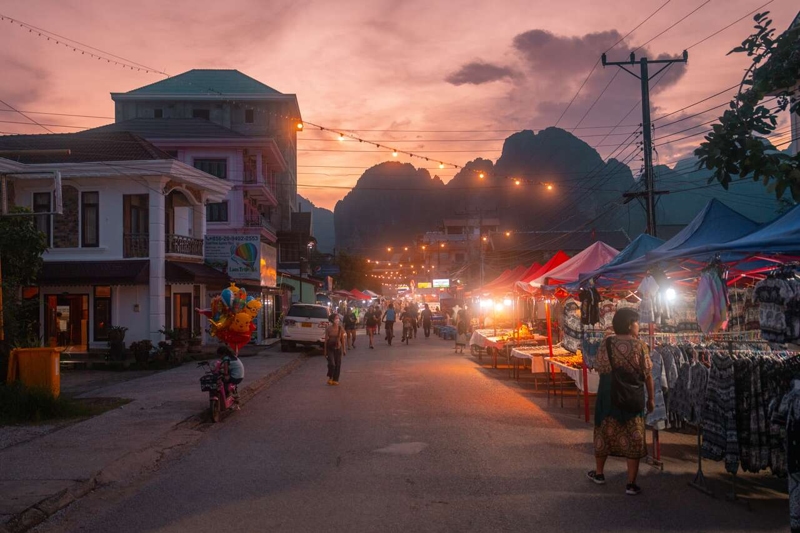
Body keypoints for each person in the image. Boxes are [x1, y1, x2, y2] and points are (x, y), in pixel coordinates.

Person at [587, 308, 655, 496]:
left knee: (603, 431)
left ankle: (599, 473)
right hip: (632, 395)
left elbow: (599, 367)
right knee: (634, 434)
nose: (638, 326)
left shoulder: (606, 343)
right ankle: (631, 483)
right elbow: (648, 375)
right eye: (636, 323)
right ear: (629, 324)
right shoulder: (640, 346)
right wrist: (651, 399)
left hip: (608, 394)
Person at [324, 313, 346, 385]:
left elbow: (342, 339)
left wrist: (344, 349)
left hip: (338, 348)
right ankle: (330, 377)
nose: (337, 320)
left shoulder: (340, 328)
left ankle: (335, 379)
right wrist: (325, 351)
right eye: (336, 318)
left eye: (338, 318)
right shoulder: (328, 329)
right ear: (332, 320)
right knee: (332, 364)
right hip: (330, 348)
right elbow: (326, 340)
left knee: (338, 364)